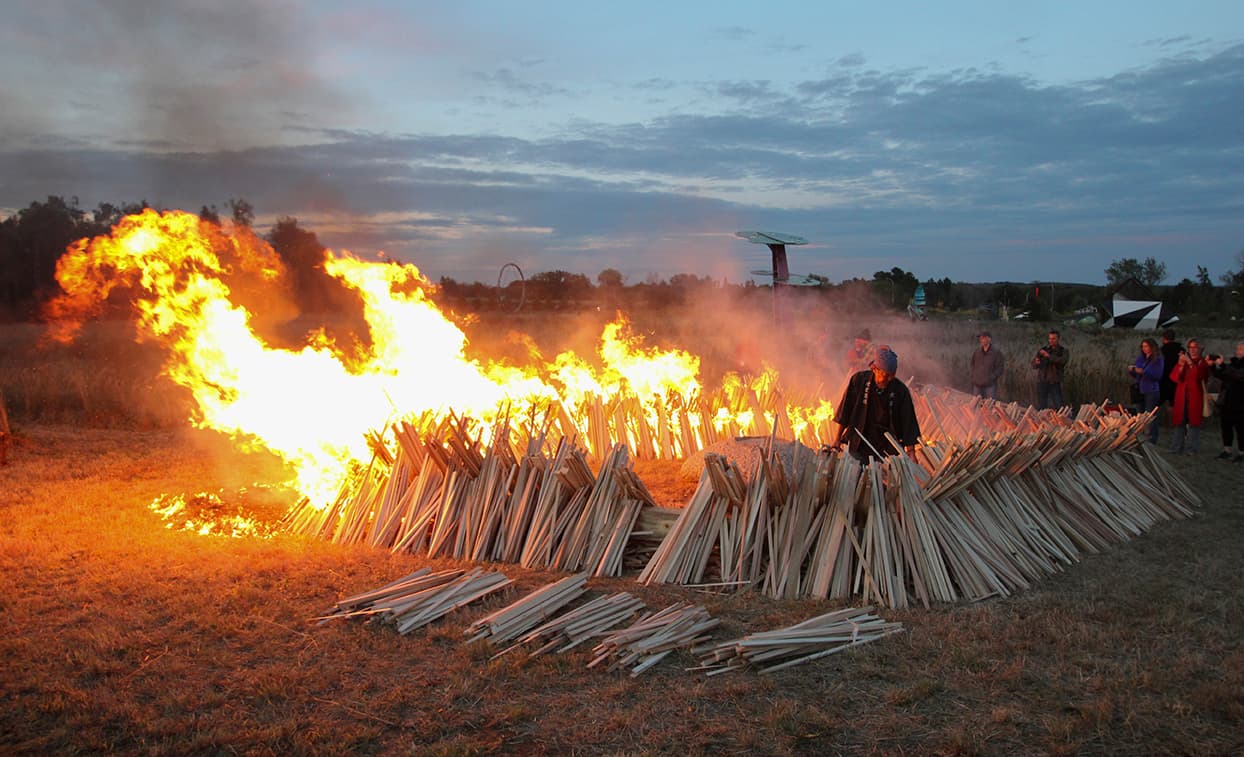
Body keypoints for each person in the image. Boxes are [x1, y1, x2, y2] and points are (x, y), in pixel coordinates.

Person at [830, 346, 922, 462]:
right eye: (886, 375)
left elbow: (908, 422)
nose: (890, 378)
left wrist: (911, 452)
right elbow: (845, 411)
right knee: (856, 474)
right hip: (859, 442)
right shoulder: (859, 380)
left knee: (882, 478)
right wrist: (837, 439)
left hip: (887, 448)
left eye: (893, 374)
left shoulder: (900, 391)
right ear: (874, 369)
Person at [1169, 337, 1211, 455]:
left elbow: (1198, 376)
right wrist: (1181, 365)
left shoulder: (1202, 363)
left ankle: (1191, 449)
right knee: (1179, 423)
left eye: (1195, 347)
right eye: (1190, 347)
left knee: (1194, 424)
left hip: (1195, 397)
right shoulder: (1184, 361)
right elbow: (1174, 377)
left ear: (1200, 349)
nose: (1192, 350)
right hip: (1182, 396)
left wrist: (1190, 363)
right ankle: (1176, 447)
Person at [1210, 341, 1244, 462]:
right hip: (1227, 400)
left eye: (1241, 349)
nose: (1238, 351)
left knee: (1241, 429)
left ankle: (1241, 452)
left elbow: (1238, 375)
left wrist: (1224, 365)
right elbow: (1223, 375)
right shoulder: (1233, 363)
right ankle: (1227, 449)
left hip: (1240, 402)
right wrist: (1213, 366)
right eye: (1238, 348)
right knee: (1226, 426)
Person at [1127, 337, 1164, 444]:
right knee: (1140, 414)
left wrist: (1143, 372)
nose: (1145, 349)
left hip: (1151, 389)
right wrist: (1133, 371)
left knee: (1150, 415)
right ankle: (1140, 436)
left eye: (1147, 346)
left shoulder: (1157, 359)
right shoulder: (1141, 358)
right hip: (1140, 388)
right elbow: (1136, 373)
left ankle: (1152, 437)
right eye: (1143, 346)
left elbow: (1157, 375)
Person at [1031, 329, 1070, 410]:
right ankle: (1042, 421)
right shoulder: (1044, 349)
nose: (1051, 341)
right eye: (1050, 338)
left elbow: (1063, 361)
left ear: (1058, 339)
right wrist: (1036, 362)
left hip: (1054, 381)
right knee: (1042, 404)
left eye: (1053, 339)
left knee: (1058, 404)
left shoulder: (1063, 351)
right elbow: (1034, 365)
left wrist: (1048, 356)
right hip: (1042, 380)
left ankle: (1061, 420)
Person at [969, 331, 1005, 400]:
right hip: (977, 384)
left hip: (990, 385)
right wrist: (974, 375)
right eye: (980, 338)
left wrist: (991, 377)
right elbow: (972, 364)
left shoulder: (996, 353)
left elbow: (1000, 368)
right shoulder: (977, 352)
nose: (981, 340)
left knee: (989, 406)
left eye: (983, 338)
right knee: (976, 405)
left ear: (989, 339)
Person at [1159, 328, 1182, 412]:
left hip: (1163, 379)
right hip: (1177, 379)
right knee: (1174, 403)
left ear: (1164, 338)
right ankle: (1173, 422)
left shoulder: (1161, 351)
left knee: (1158, 403)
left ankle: (1163, 422)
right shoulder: (1181, 350)